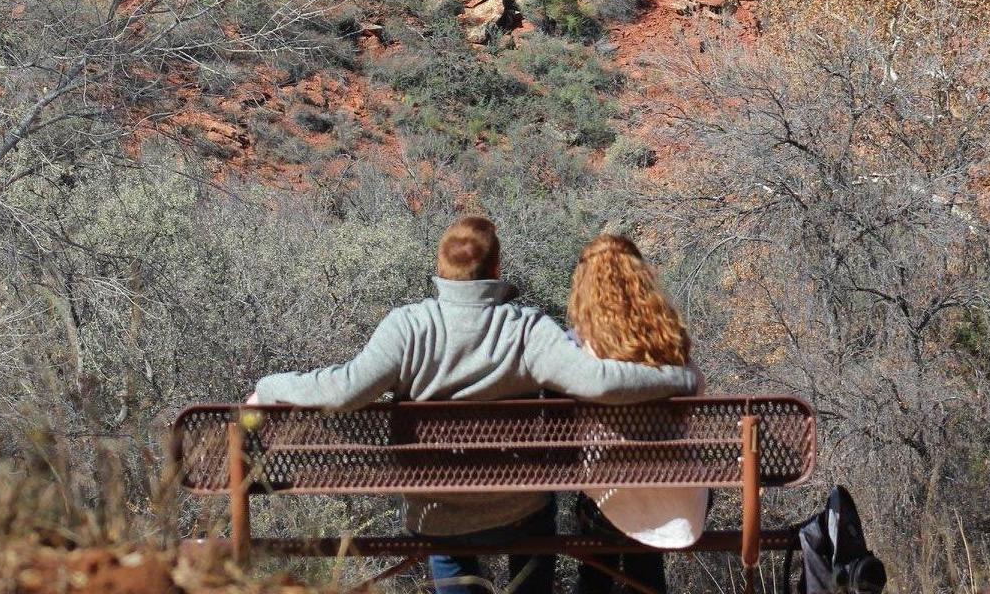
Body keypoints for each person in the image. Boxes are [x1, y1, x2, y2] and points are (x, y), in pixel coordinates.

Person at [248, 217, 698, 594]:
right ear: (497, 267)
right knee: (538, 530)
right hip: (520, 511)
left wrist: (270, 385)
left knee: (448, 548)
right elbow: (597, 381)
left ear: (440, 270)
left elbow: (343, 390)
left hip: (437, 514)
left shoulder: (409, 327)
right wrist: (679, 376)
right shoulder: (525, 329)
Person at [567, 234, 709, 594]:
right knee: (645, 548)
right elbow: (698, 387)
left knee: (599, 538)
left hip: (607, 502)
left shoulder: (578, 350)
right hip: (678, 500)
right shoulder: (671, 343)